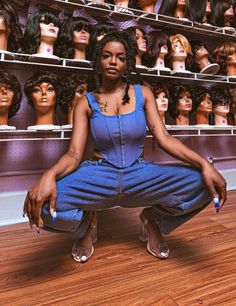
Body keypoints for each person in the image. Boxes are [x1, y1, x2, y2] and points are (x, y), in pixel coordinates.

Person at [23, 31, 227, 264]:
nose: (113, 62)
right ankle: (86, 224)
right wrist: (48, 175)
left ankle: (153, 220)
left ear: (127, 62)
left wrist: (204, 164)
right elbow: (73, 154)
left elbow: (164, 138)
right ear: (98, 60)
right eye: (107, 56)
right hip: (99, 176)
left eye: (120, 57)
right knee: (40, 202)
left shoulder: (144, 93)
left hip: (139, 176)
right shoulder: (85, 102)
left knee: (206, 183)